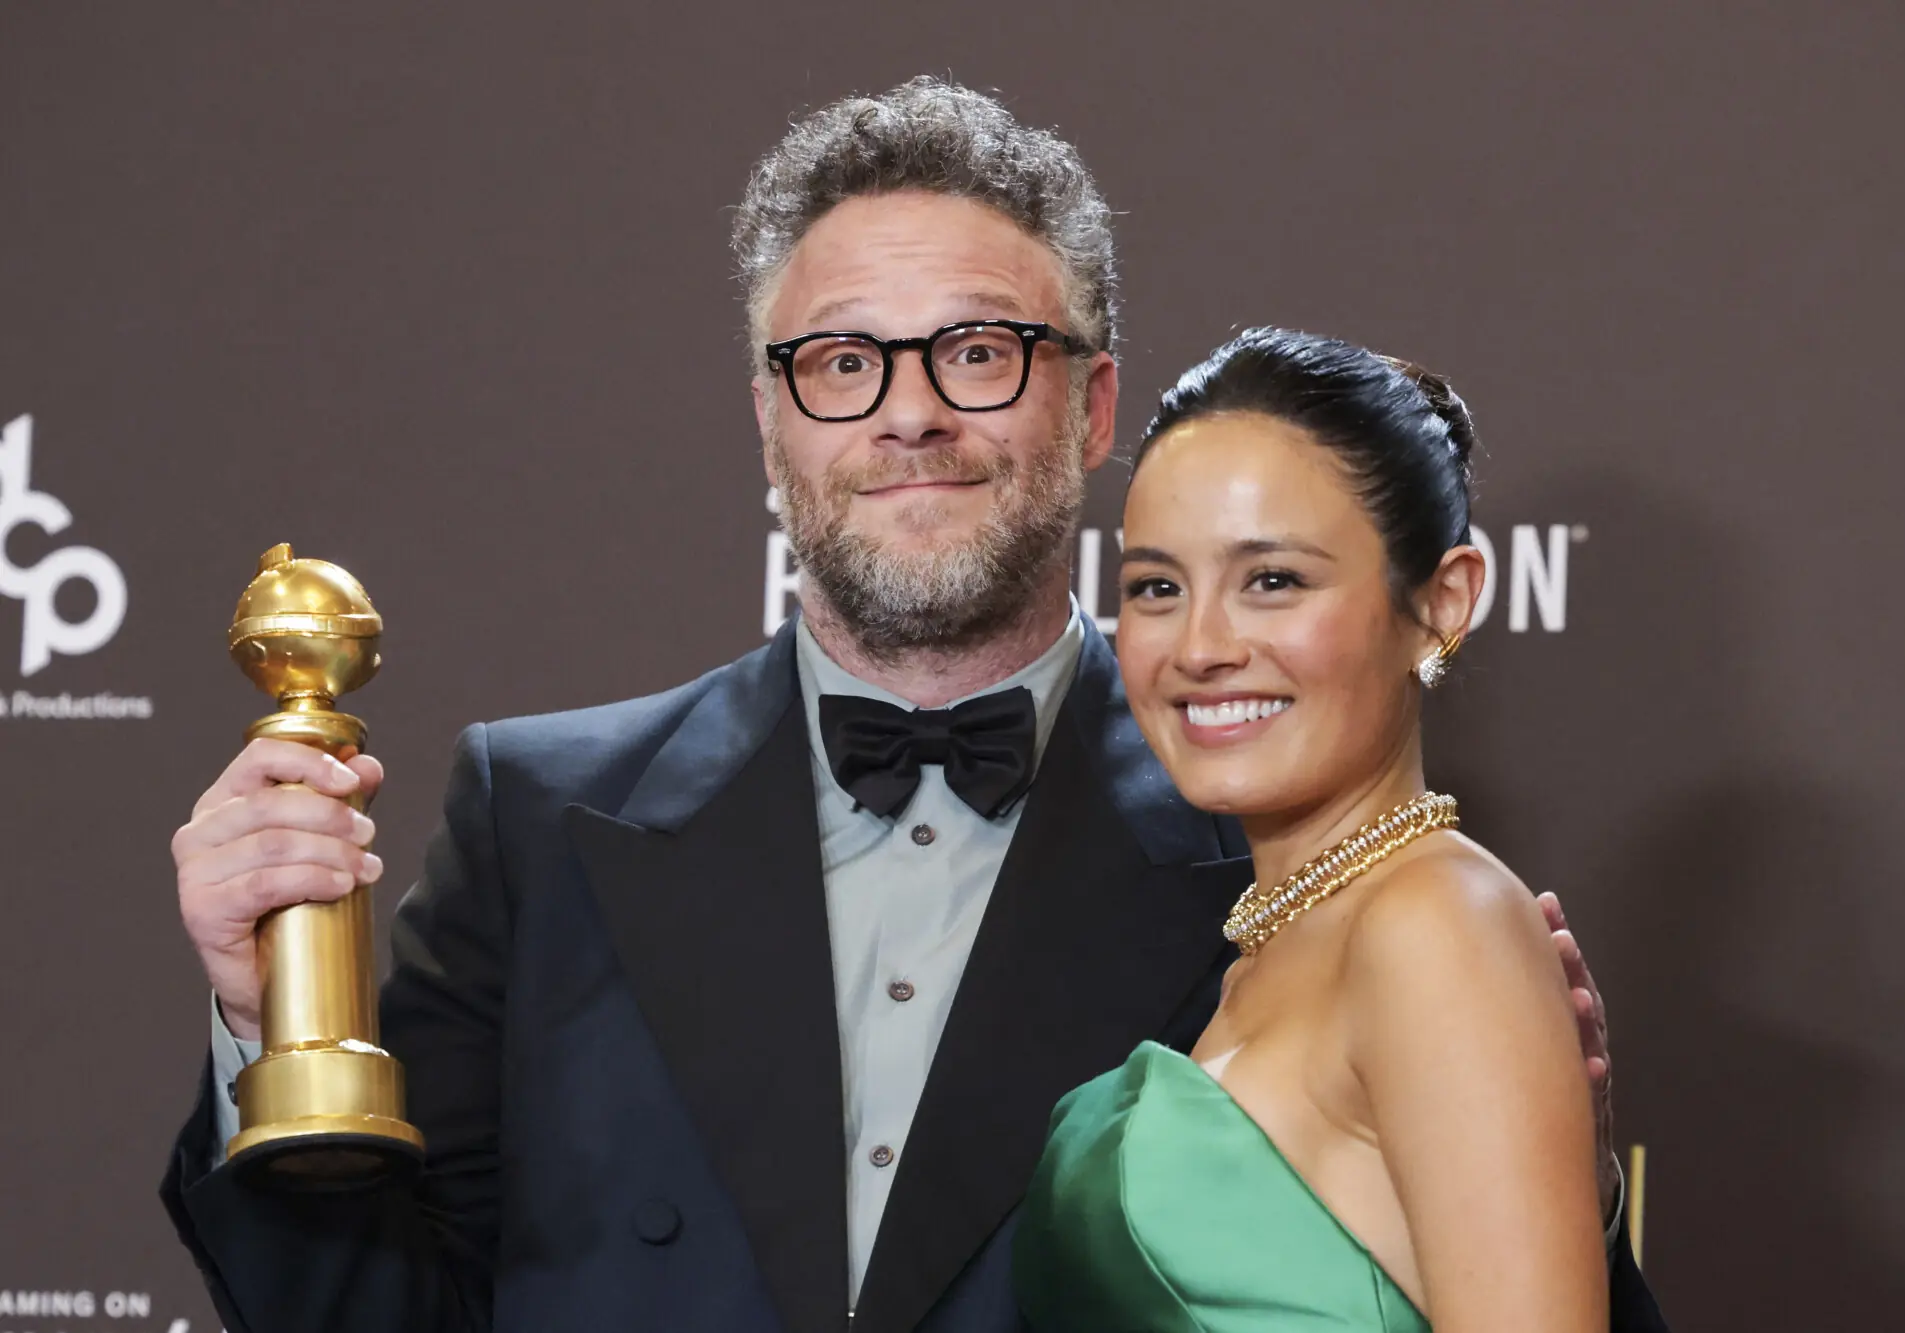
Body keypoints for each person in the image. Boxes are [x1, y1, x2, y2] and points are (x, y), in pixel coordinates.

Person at [162, 80, 1664, 1333]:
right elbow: (374, 1316)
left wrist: (1550, 1172)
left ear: (1089, 408)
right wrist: (265, 1022)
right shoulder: (540, 820)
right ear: (770, 418)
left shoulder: (1286, 854)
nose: (909, 412)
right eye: (840, 360)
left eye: (978, 349)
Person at [1015, 329, 1624, 1332]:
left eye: (1272, 581)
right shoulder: (1278, 938)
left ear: (1439, 602)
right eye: (1156, 588)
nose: (1201, 647)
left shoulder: (1435, 923)